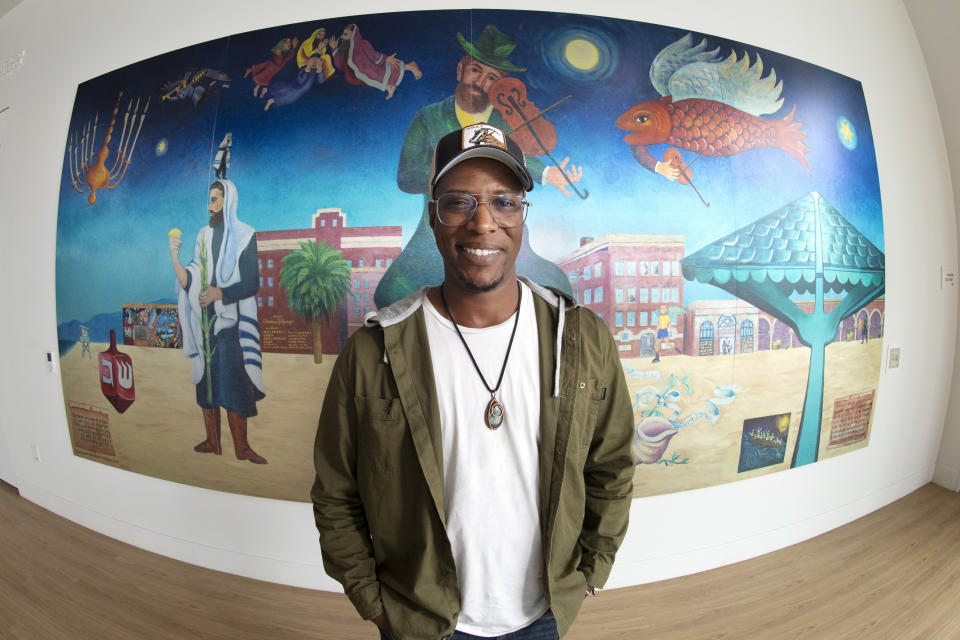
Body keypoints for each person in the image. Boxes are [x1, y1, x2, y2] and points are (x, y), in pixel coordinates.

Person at [312, 124, 634, 640]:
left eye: (504, 202)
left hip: (543, 614)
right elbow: (336, 491)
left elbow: (612, 466)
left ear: (523, 217)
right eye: (458, 202)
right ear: (434, 218)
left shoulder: (582, 338)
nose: (483, 223)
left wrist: (590, 573)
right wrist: (371, 601)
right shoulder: (373, 351)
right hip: (417, 618)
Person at [374, 24, 584, 308]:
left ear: (500, 85)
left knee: (555, 287)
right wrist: (451, 176)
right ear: (461, 70)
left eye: (492, 77)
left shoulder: (509, 120)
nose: (480, 81)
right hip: (436, 234)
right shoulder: (429, 118)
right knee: (391, 294)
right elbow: (406, 177)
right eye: (476, 70)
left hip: (503, 238)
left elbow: (524, 158)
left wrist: (548, 173)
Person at [169, 180, 267, 464]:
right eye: (209, 200)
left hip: (231, 322)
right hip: (204, 321)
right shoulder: (202, 236)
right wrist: (175, 258)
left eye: (214, 200)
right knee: (206, 381)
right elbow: (189, 279)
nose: (209, 206)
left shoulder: (245, 235)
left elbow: (251, 283)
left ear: (228, 202)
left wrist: (220, 293)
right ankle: (213, 441)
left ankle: (242, 447)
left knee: (234, 383)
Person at [332, 23, 422, 100]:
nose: (342, 37)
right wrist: (335, 49)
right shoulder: (343, 51)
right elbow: (339, 65)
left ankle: (409, 67)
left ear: (354, 35)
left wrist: (385, 59)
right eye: (343, 34)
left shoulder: (362, 44)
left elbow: (373, 55)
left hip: (369, 69)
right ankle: (389, 86)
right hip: (358, 75)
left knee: (378, 74)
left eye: (346, 34)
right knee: (371, 79)